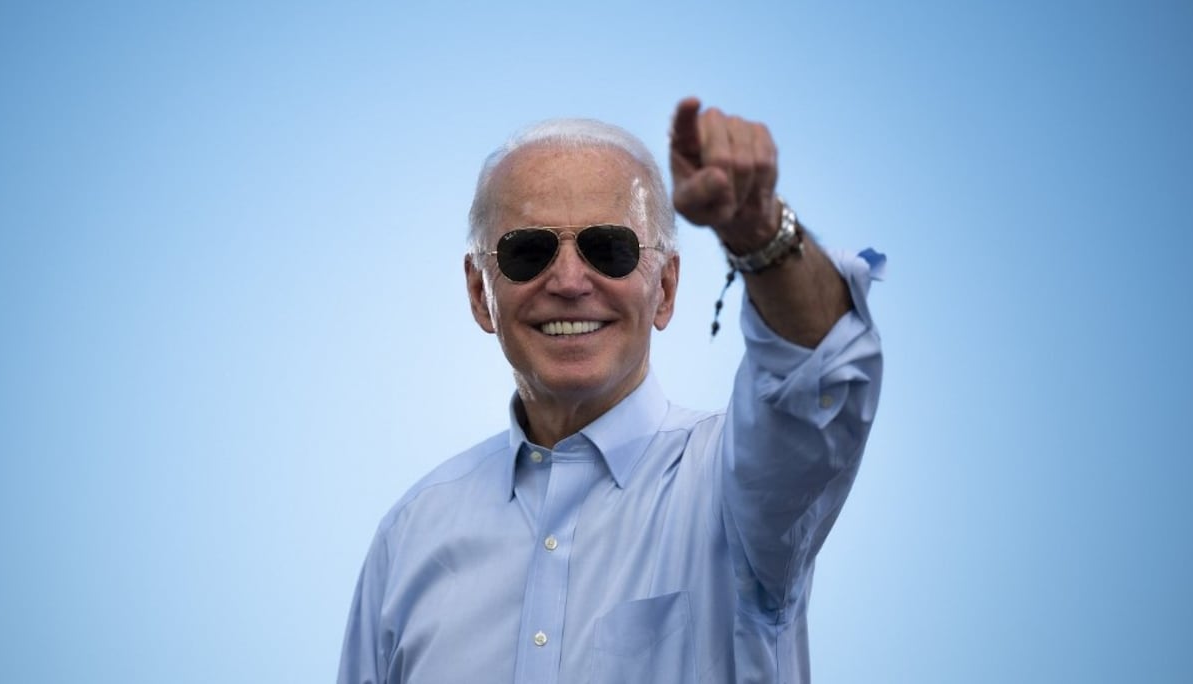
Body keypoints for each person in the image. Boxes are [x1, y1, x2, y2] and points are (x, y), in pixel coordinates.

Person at [338, 97, 884, 684]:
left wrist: (760, 235)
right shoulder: (412, 535)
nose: (570, 282)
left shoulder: (734, 493)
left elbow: (819, 373)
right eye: (528, 251)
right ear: (479, 293)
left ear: (666, 288)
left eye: (610, 249)